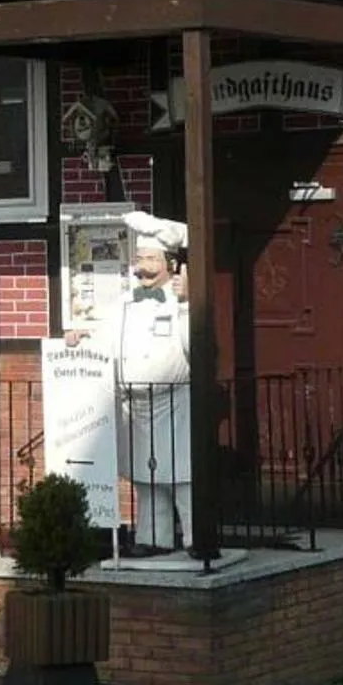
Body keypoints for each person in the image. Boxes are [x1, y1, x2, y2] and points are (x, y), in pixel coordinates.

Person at [113, 219, 190, 551]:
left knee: (182, 477)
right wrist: (79, 337)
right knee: (147, 478)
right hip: (135, 404)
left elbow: (196, 346)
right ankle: (153, 539)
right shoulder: (125, 301)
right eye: (139, 259)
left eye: (150, 259)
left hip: (174, 402)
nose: (142, 267)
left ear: (170, 264)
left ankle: (196, 538)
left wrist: (186, 304)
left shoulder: (182, 301)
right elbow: (106, 336)